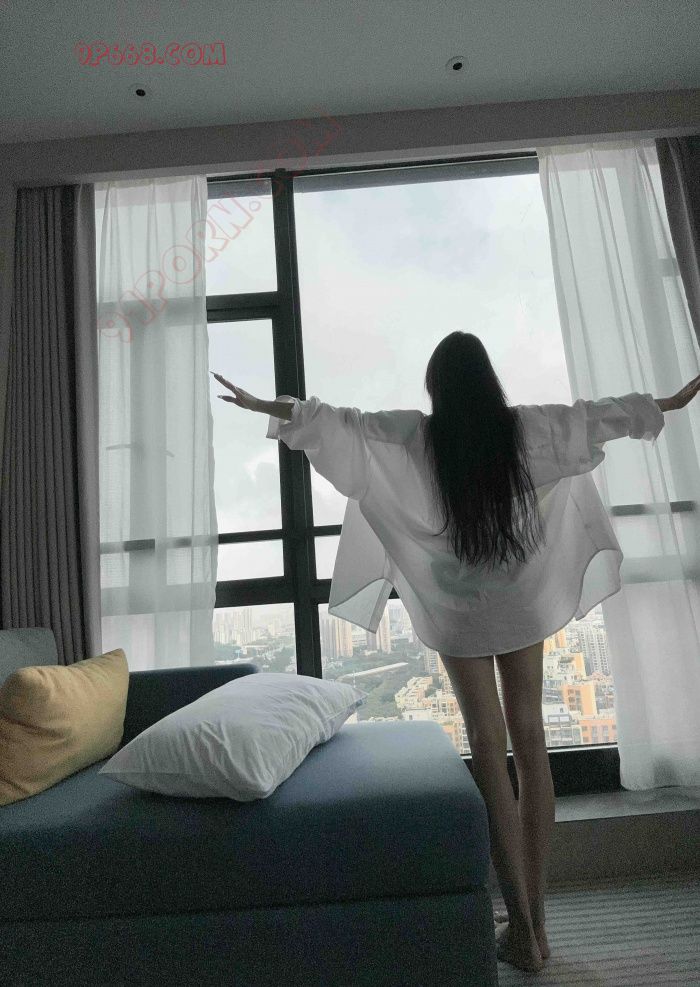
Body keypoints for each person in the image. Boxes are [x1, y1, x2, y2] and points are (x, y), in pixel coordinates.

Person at [212, 331, 700, 974]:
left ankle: (519, 925)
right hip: (520, 600)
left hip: (458, 609)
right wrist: (665, 402)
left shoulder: (419, 436)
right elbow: (592, 418)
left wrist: (267, 406)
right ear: (487, 381)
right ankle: (539, 921)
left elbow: (340, 424)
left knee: (489, 751)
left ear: (437, 388)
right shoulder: (522, 429)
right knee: (532, 742)